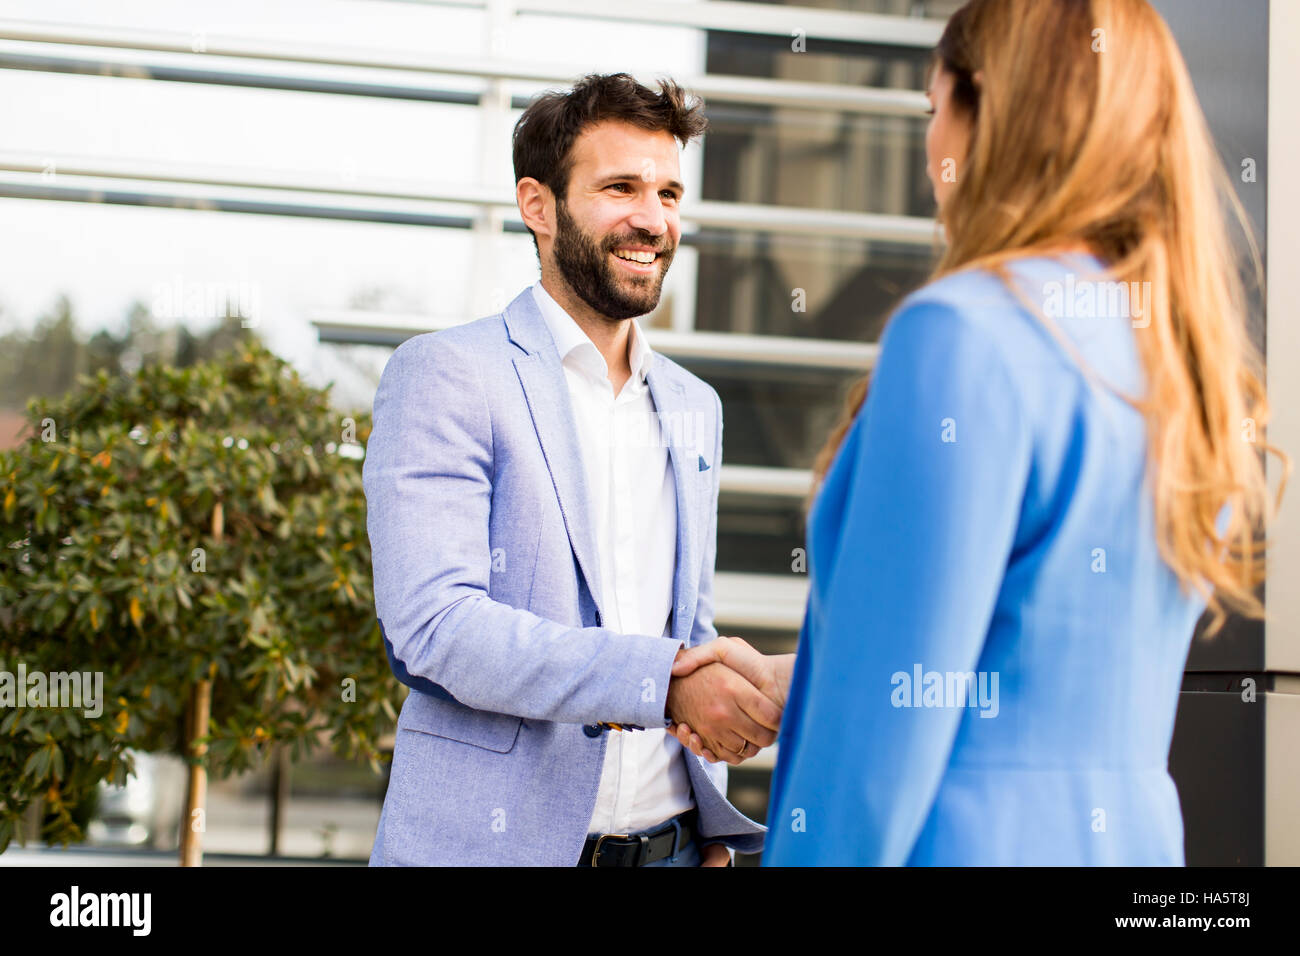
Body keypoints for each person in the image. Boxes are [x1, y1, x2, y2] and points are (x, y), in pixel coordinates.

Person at [668, 0, 1287, 865]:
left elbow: (883, 752)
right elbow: (1026, 663)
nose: (930, 155)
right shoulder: (1176, 352)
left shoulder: (963, 333)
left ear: (986, 106)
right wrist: (810, 677)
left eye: (933, 113)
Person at [363, 73, 780, 867]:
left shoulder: (696, 405)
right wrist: (662, 683)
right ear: (538, 206)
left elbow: (684, 631)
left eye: (668, 193)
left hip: (676, 852)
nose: (651, 220)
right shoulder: (447, 374)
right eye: (620, 187)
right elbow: (436, 629)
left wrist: (710, 824)